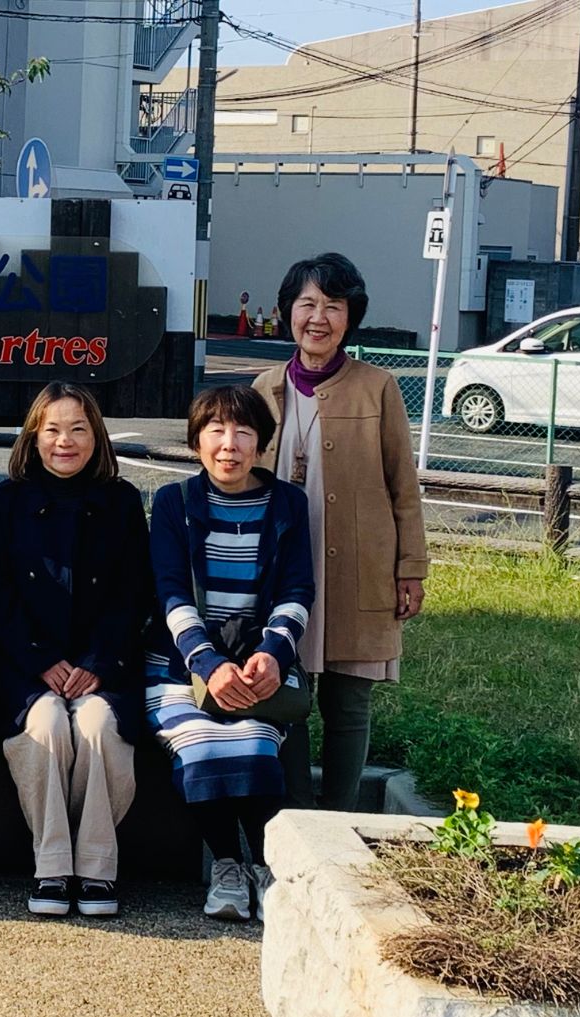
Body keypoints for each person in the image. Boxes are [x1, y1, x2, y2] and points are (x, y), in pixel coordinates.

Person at [252, 253, 427, 814]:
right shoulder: (264, 387)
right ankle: (300, 820)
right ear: (287, 314)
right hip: (281, 570)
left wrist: (410, 568)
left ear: (351, 317)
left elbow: (404, 484)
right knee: (286, 696)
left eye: (333, 306)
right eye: (307, 305)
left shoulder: (378, 387)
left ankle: (343, 819)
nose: (318, 318)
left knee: (349, 702)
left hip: (359, 566)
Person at [0, 383, 151, 918]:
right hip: (26, 666)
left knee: (99, 726)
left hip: (106, 666)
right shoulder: (7, 501)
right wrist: (40, 660)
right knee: (49, 723)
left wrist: (100, 663)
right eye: (52, 429)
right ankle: (52, 864)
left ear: (96, 437)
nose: (65, 441)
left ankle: (96, 866)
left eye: (78, 429)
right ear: (33, 437)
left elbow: (134, 593)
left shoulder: (121, 501)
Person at [146, 385, 313, 921]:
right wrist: (207, 663)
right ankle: (225, 864)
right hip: (179, 666)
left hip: (256, 664)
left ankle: (263, 868)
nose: (229, 444)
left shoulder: (289, 503)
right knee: (202, 745)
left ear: (262, 444)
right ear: (197, 441)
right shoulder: (174, 503)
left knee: (254, 740)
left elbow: (297, 591)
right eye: (215, 430)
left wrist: (272, 654)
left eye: (244, 432)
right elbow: (170, 592)